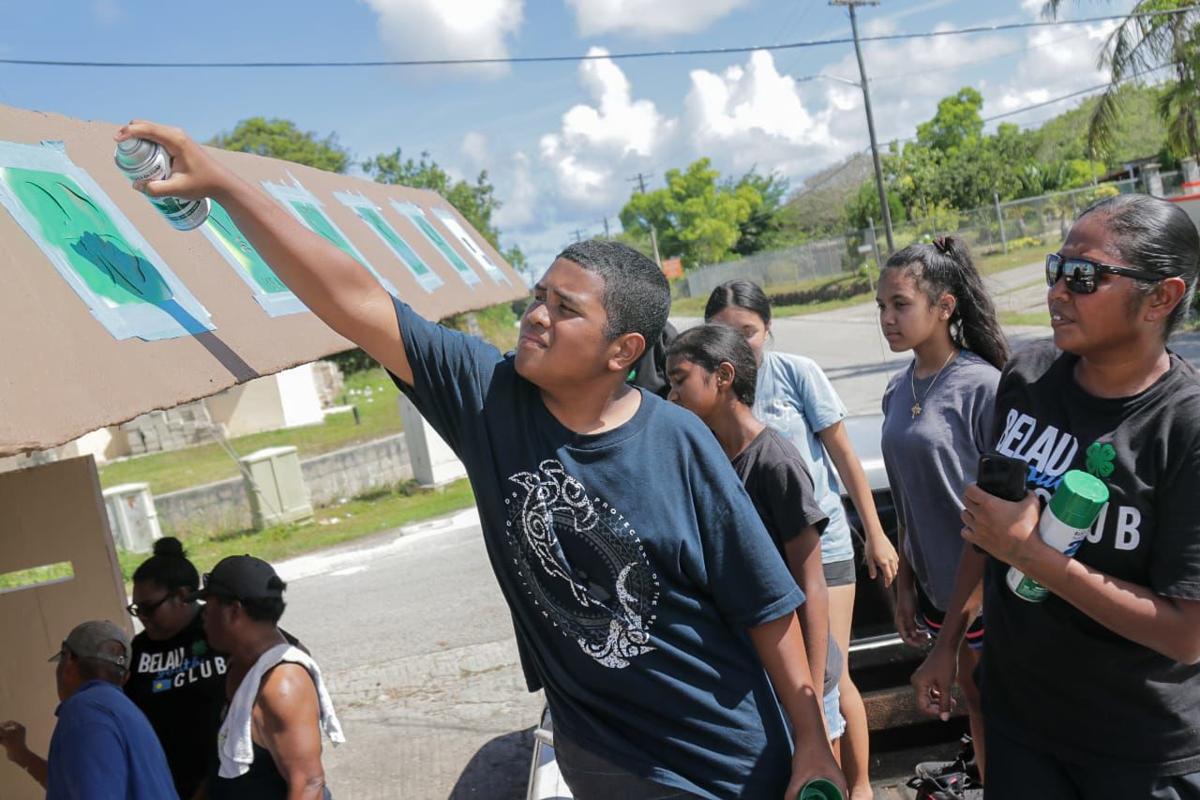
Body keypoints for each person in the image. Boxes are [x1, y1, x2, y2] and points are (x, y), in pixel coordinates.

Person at [114, 120, 845, 799]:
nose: (535, 316)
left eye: (565, 309)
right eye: (539, 297)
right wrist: (225, 185)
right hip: (604, 761)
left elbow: (768, 609)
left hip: (727, 764)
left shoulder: (678, 445)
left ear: (623, 350)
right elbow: (354, 298)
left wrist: (814, 743)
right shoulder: (490, 398)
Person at [958, 194, 1200, 798]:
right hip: (1021, 728)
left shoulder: (1185, 428)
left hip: (1136, 752)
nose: (1058, 291)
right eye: (1055, 269)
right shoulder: (1028, 378)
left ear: (1161, 297)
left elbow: (1186, 635)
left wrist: (1035, 557)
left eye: (1084, 275)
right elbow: (991, 529)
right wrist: (948, 644)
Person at [705, 279, 896, 799]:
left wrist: (874, 533)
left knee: (829, 678)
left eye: (748, 332)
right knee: (798, 686)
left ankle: (858, 788)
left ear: (769, 328)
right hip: (764, 563)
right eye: (723, 334)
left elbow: (844, 455)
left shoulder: (796, 374)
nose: (739, 345)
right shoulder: (707, 392)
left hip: (820, 549)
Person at [666, 323, 845, 749]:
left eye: (680, 381)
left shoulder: (774, 461)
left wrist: (814, 691)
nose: (671, 396)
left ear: (723, 377)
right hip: (752, 671)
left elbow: (811, 581)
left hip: (801, 672)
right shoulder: (706, 456)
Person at [874, 236, 1008, 787]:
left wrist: (954, 625)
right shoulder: (896, 388)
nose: (886, 318)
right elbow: (907, 498)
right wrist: (905, 586)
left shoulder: (983, 386)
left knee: (997, 706)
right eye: (880, 306)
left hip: (985, 592)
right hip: (934, 588)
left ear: (945, 306)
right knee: (976, 700)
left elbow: (998, 516)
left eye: (900, 304)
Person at [191, 554, 343, 800]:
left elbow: (308, 785)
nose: (203, 616)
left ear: (233, 611)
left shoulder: (282, 684)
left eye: (208, 606)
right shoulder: (239, 665)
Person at [0, 620, 179, 799]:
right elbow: (77, 784)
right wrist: (21, 754)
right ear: (125, 677)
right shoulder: (127, 712)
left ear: (68, 658)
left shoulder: (83, 712)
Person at [124, 536, 228, 800]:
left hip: (230, 781)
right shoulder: (140, 649)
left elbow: (285, 657)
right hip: (169, 788)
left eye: (149, 608)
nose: (143, 617)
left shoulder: (222, 626)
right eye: (137, 609)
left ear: (182, 596)